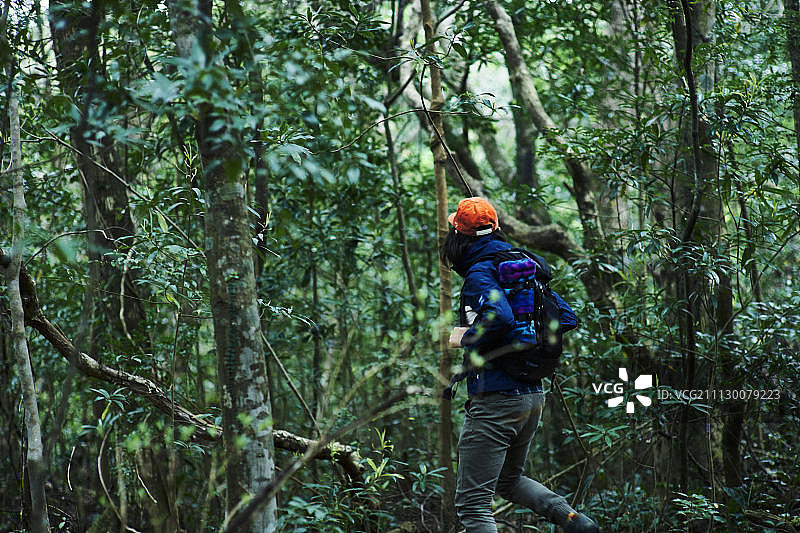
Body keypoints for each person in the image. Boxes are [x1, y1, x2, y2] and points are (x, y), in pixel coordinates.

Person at [440, 197, 599, 533]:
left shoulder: (481, 272)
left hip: (496, 399)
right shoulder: (524, 265)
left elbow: (499, 316)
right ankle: (576, 523)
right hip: (531, 396)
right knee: (508, 481)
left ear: (459, 236)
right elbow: (567, 317)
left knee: (473, 504)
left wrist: (465, 338)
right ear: (495, 228)